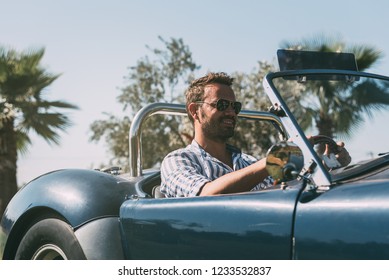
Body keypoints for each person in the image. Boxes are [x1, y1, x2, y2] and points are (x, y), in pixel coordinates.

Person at [160, 72, 350, 197]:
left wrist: (329, 163)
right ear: (194, 111)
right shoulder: (178, 160)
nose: (231, 113)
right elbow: (205, 196)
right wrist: (273, 160)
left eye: (235, 107)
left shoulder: (248, 162)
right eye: (222, 105)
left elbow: (290, 188)